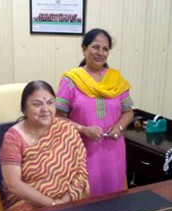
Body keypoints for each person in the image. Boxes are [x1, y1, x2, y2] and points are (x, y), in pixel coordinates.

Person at [56, 28, 134, 197]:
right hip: (82, 151)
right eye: (95, 47)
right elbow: (58, 117)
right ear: (84, 49)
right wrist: (83, 129)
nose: (100, 53)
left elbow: (128, 112)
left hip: (114, 151)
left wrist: (119, 127)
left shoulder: (115, 79)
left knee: (115, 196)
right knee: (85, 197)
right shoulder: (71, 80)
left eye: (105, 49)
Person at [0, 80, 90, 211]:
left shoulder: (67, 129)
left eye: (50, 103)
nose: (45, 109)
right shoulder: (13, 138)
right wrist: (51, 204)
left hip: (69, 198)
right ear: (24, 109)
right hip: (27, 202)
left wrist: (64, 201)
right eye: (37, 104)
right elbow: (13, 184)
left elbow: (80, 170)